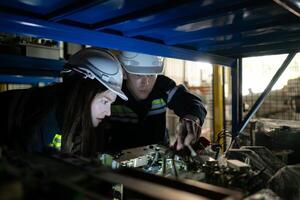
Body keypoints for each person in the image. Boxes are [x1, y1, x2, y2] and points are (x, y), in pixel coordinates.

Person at [0, 48, 127, 157]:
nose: (108, 112)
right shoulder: (41, 118)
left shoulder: (64, 109)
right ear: (83, 92)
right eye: (105, 101)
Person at [102, 51, 207, 151]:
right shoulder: (112, 91)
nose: (146, 82)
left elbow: (192, 102)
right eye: (138, 74)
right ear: (124, 73)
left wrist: (192, 119)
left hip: (158, 158)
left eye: (152, 74)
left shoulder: (163, 86)